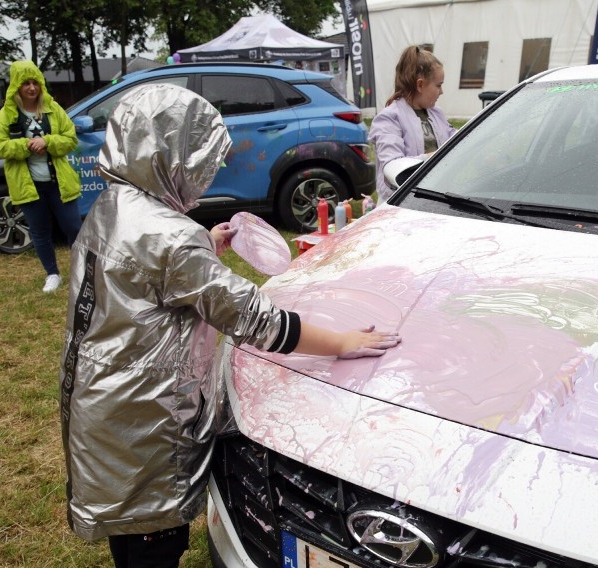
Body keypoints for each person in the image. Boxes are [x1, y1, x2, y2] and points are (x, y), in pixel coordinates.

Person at [58, 83, 401, 568]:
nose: (208, 174)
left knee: (129, 527)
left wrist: (203, 246)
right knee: (153, 538)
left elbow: (144, 275)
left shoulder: (117, 206)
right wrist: (341, 341)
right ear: (170, 155)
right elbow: (254, 319)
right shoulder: (171, 239)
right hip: (143, 420)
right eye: (202, 162)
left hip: (104, 402)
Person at [0, 60, 82, 293]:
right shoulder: (7, 114)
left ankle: (82, 272)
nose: (31, 88)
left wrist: (48, 141)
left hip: (58, 182)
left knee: (73, 227)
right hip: (28, 186)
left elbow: (70, 139)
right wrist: (26, 145)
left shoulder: (53, 108)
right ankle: (52, 274)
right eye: (26, 83)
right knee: (40, 231)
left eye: (35, 83)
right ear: (17, 87)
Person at [368, 46, 457, 203]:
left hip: (434, 200)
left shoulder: (437, 114)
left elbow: (458, 141)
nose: (441, 91)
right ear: (420, 85)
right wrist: (437, 156)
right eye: (438, 85)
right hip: (400, 206)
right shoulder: (389, 119)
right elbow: (393, 167)